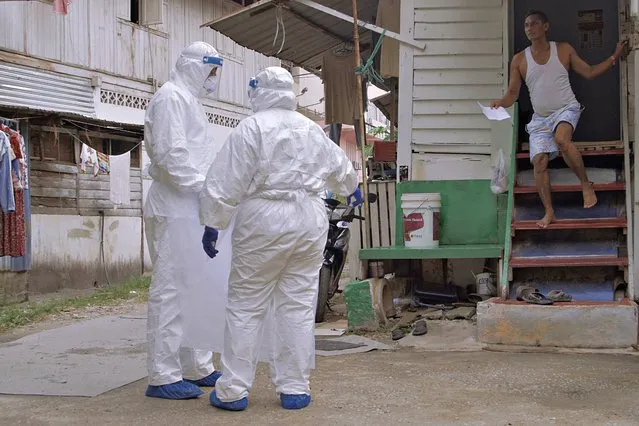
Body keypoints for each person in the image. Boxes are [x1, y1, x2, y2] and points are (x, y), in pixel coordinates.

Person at [199, 66, 362, 411]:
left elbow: (226, 180)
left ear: (260, 91)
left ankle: (233, 391)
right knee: (298, 306)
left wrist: (214, 222)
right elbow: (341, 169)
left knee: (246, 304)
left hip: (265, 217)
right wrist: (352, 189)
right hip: (309, 218)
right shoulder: (309, 128)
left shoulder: (252, 127)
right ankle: (294, 388)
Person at [491, 10, 628, 228]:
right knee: (539, 161)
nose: (529, 28)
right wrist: (500, 102)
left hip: (566, 109)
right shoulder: (519, 60)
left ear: (546, 26)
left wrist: (614, 56)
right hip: (541, 119)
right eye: (526, 25)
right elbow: (512, 94)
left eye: (534, 24)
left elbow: (590, 72)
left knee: (563, 139)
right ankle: (549, 212)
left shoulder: (563, 50)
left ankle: (585, 185)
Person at [143, 41, 225, 400]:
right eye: (211, 71)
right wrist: (204, 190)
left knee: (196, 288)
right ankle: (163, 374)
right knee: (171, 291)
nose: (213, 79)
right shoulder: (170, 98)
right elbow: (172, 155)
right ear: (194, 66)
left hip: (189, 207)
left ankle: (197, 366)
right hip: (174, 205)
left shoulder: (189, 102)